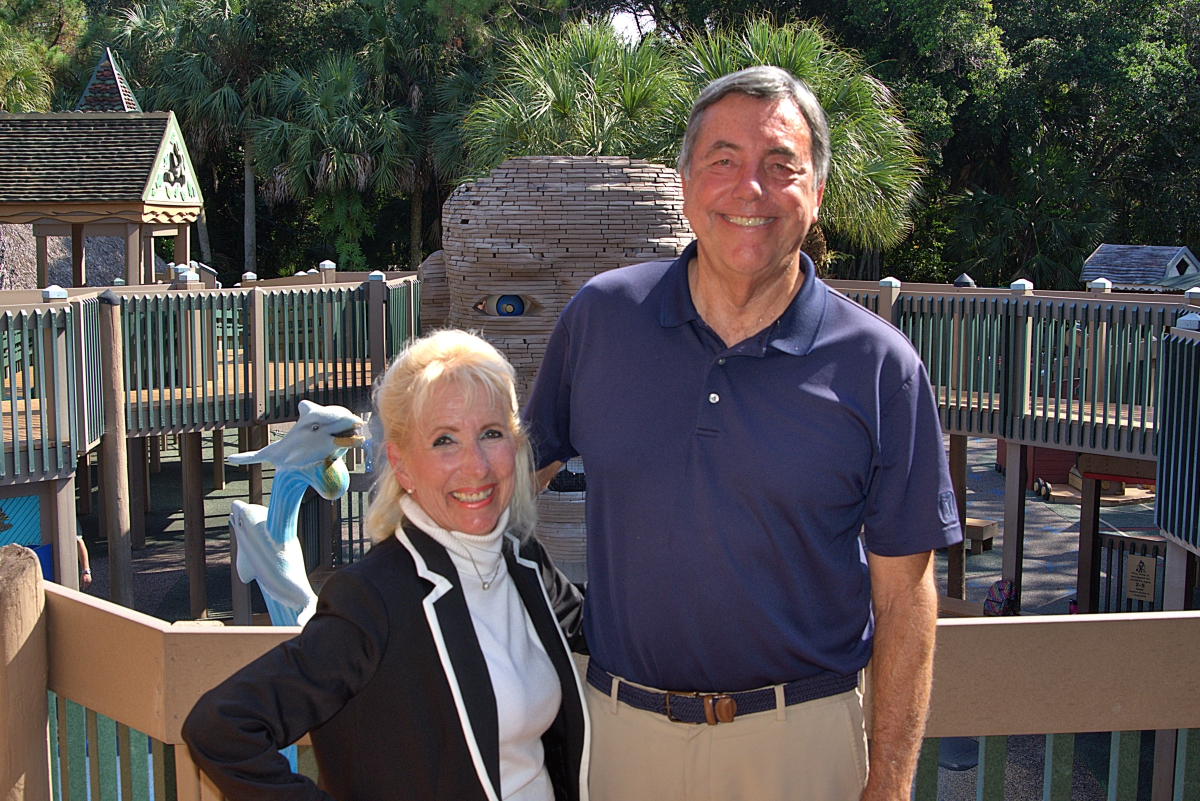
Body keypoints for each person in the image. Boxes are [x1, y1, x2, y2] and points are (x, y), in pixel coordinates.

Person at [523, 66, 960, 801]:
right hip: (623, 736)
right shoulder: (601, 319)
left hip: (802, 744)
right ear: (687, 184)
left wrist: (889, 780)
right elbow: (499, 481)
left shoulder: (882, 368)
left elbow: (905, 599)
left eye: (779, 165)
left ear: (816, 194)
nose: (749, 189)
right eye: (722, 161)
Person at [183, 330, 590, 801]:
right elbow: (224, 726)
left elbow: (604, 634)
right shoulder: (374, 597)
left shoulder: (520, 561)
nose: (476, 466)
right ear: (402, 465)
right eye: (444, 440)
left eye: (491, 434)